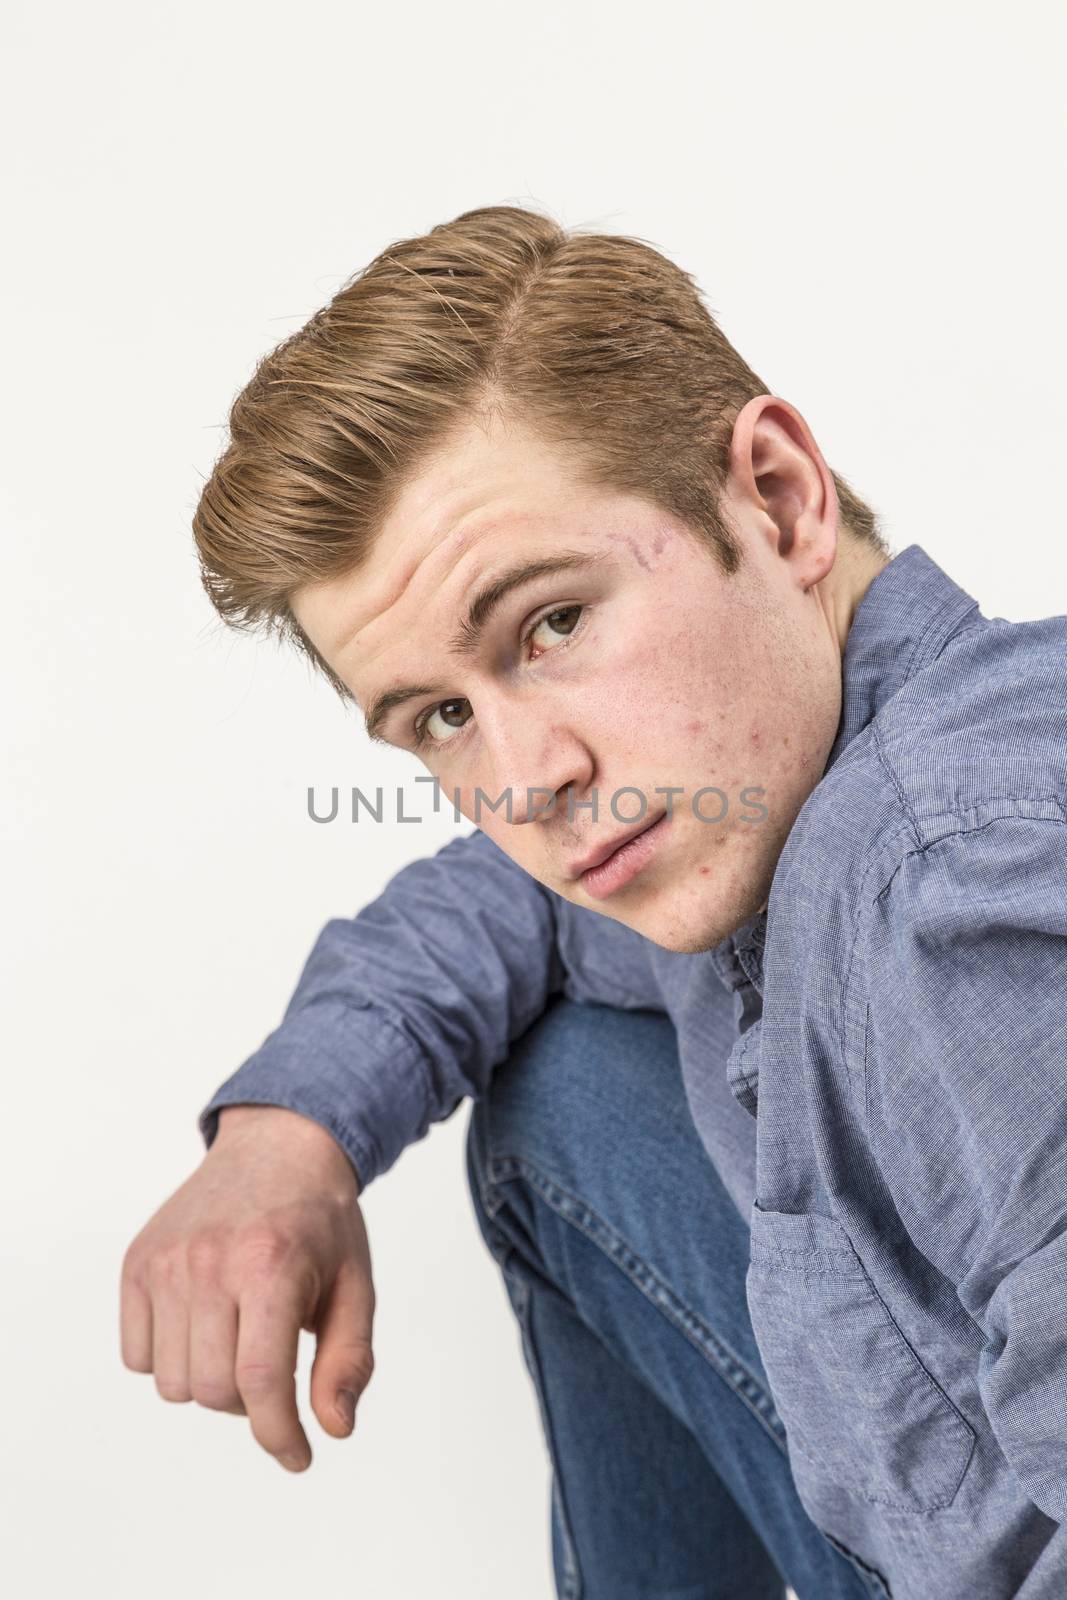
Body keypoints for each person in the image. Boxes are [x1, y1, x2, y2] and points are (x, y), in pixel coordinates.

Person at [120, 205, 1067, 1600]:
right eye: (442, 714)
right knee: (562, 1088)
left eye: (551, 625)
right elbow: (507, 911)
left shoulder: (935, 897)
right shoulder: (754, 794)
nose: (530, 784)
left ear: (780, 497)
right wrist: (290, 1127)